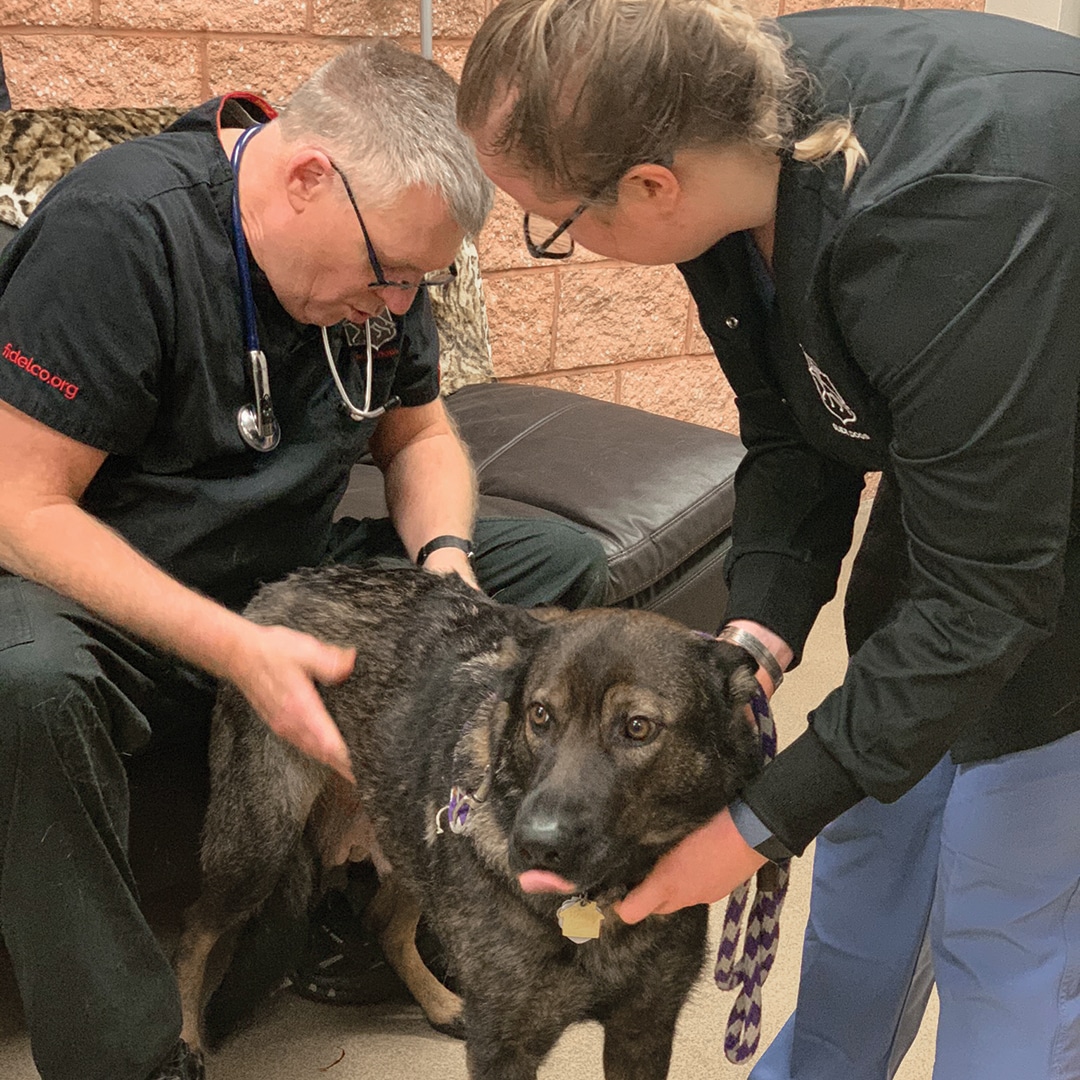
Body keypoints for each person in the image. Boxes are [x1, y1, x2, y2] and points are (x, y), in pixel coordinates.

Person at [456, 3, 1080, 1078]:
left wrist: (748, 830)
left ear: (651, 187)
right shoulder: (726, 137)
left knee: (1004, 901)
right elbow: (796, 429)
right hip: (974, 458)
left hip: (1043, 482)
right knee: (873, 832)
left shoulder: (950, 216)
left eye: (549, 220)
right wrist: (758, 635)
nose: (557, 244)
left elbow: (989, 595)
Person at [0, 40, 608, 1080]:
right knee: (24, 686)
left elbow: (417, 439)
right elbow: (19, 506)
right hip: (104, 586)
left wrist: (448, 566)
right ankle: (128, 1055)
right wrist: (238, 647)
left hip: (282, 567)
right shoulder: (121, 232)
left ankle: (373, 911)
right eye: (387, 275)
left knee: (554, 567)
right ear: (305, 178)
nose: (396, 306)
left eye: (421, 284)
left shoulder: (377, 281)